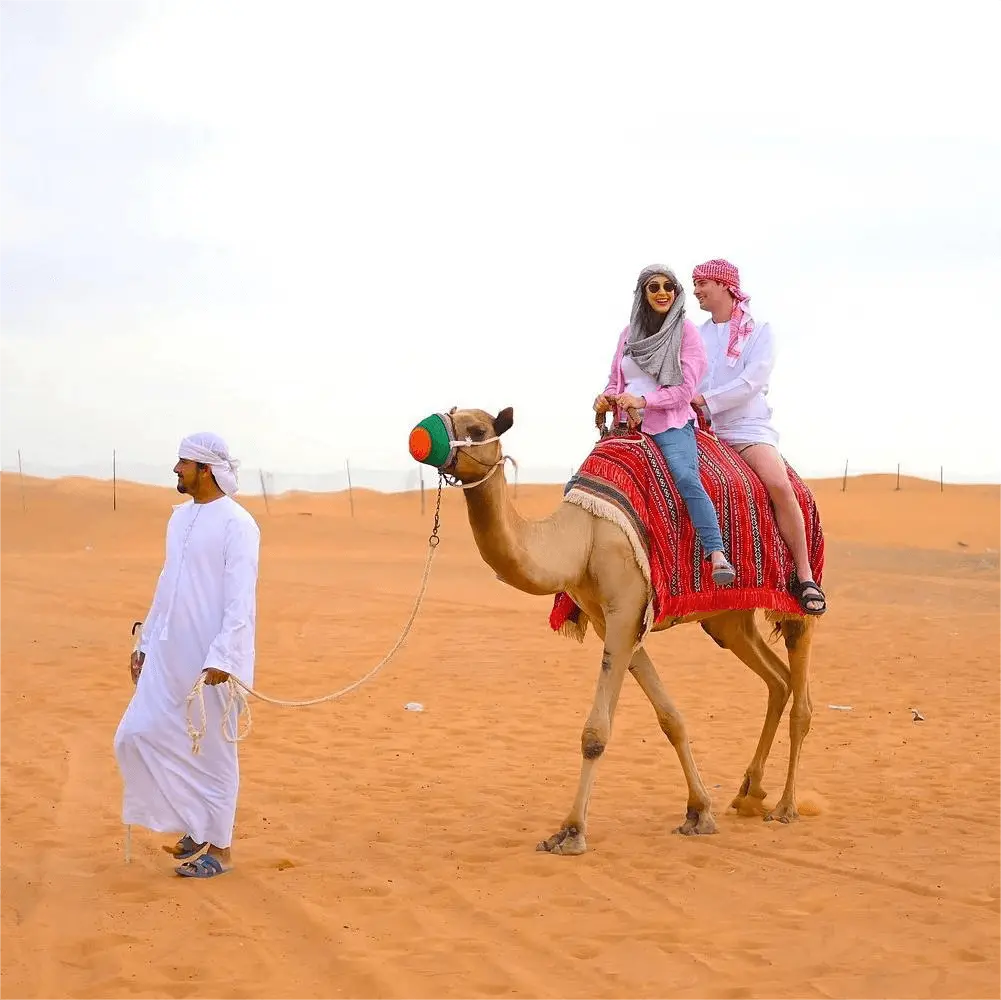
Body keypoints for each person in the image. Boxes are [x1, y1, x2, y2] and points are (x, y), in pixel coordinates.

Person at [114, 431, 261, 878]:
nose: (176, 469)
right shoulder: (179, 520)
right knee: (136, 734)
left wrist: (224, 656)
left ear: (206, 469)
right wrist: (144, 642)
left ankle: (221, 849)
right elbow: (168, 585)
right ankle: (196, 826)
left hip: (213, 663)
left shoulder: (239, 524)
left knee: (215, 755)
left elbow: (240, 600)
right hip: (168, 653)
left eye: (183, 462)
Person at [690, 258, 826, 615]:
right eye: (695, 283)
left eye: (702, 283)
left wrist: (707, 400)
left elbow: (754, 381)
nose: (696, 291)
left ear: (724, 286)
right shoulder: (696, 334)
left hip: (745, 428)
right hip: (702, 428)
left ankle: (804, 574)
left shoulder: (760, 331)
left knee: (780, 486)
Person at [593, 264, 736, 586]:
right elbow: (616, 381)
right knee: (582, 483)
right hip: (626, 427)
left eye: (668, 287)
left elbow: (685, 389)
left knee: (686, 477)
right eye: (654, 287)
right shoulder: (628, 335)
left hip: (669, 424)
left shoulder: (686, 332)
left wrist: (644, 402)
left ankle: (716, 552)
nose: (662, 292)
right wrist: (606, 398)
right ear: (643, 294)